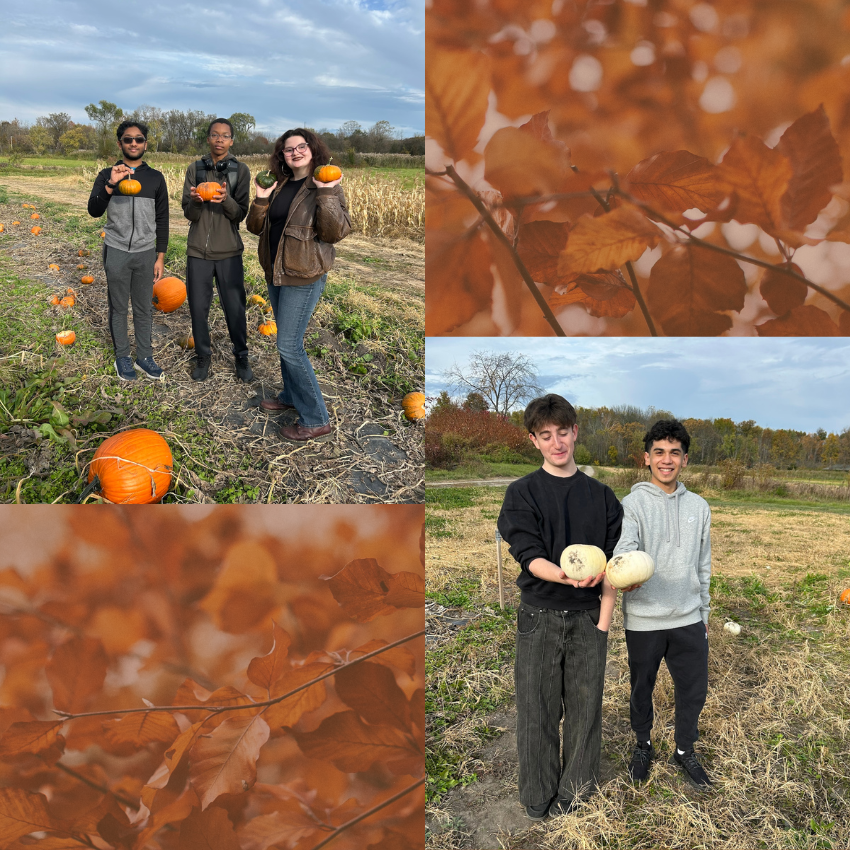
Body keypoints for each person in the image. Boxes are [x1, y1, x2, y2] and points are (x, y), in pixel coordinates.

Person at [497, 394, 623, 820]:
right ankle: (537, 792)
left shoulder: (603, 498)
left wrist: (604, 624)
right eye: (546, 435)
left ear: (575, 431)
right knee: (537, 708)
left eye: (563, 432)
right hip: (540, 616)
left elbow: (612, 565)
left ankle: (576, 792)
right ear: (534, 440)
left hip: (589, 619)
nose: (557, 443)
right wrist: (565, 575)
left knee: (586, 710)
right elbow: (528, 555)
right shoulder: (522, 493)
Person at [613, 419, 713, 790]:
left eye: (674, 453)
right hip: (644, 617)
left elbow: (703, 565)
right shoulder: (632, 504)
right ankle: (643, 744)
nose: (666, 460)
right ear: (646, 458)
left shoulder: (700, 507)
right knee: (642, 689)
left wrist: (703, 613)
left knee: (693, 689)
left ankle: (685, 750)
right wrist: (627, 574)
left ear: (684, 459)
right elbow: (624, 552)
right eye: (659, 452)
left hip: (687, 617)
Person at [246, 129, 351, 442]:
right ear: (282, 155)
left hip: (304, 276)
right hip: (276, 273)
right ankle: (291, 395)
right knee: (286, 342)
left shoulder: (326, 184)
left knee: (289, 346)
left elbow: (333, 233)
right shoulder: (277, 185)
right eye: (288, 149)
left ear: (312, 149)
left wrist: (326, 193)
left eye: (301, 146)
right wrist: (261, 199)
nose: (295, 152)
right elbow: (255, 228)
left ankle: (316, 418)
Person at [87, 120, 168, 381]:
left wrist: (160, 257)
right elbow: (94, 210)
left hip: (145, 252)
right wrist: (112, 183)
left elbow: (163, 219)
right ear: (120, 143)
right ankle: (122, 356)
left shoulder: (155, 178)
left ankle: (145, 356)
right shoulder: (105, 174)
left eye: (139, 139)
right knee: (119, 307)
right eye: (128, 139)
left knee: (144, 307)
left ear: (145, 143)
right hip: (117, 249)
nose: (134, 143)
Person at [181, 118, 253, 382]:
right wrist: (197, 202)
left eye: (225, 136)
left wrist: (226, 201)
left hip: (229, 251)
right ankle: (203, 356)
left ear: (232, 140)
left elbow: (241, 214)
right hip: (198, 251)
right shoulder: (195, 169)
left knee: (235, 307)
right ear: (208, 139)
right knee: (198, 307)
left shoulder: (240, 171)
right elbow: (189, 213)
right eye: (215, 135)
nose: (219, 139)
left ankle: (241, 357)